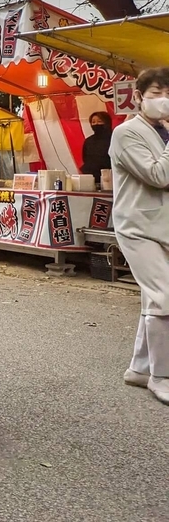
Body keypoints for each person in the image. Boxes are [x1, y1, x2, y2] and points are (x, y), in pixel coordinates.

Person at [109, 67, 169, 405]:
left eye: (168, 93)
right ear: (140, 97)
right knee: (164, 295)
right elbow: (158, 175)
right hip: (137, 226)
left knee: (155, 299)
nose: (163, 100)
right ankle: (162, 377)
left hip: (164, 226)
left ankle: (140, 368)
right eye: (156, 93)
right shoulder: (125, 133)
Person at [80, 110, 114, 183]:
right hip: (91, 177)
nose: (96, 124)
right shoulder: (89, 141)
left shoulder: (114, 138)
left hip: (111, 178)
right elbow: (85, 158)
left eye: (99, 121)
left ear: (107, 122)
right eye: (93, 122)